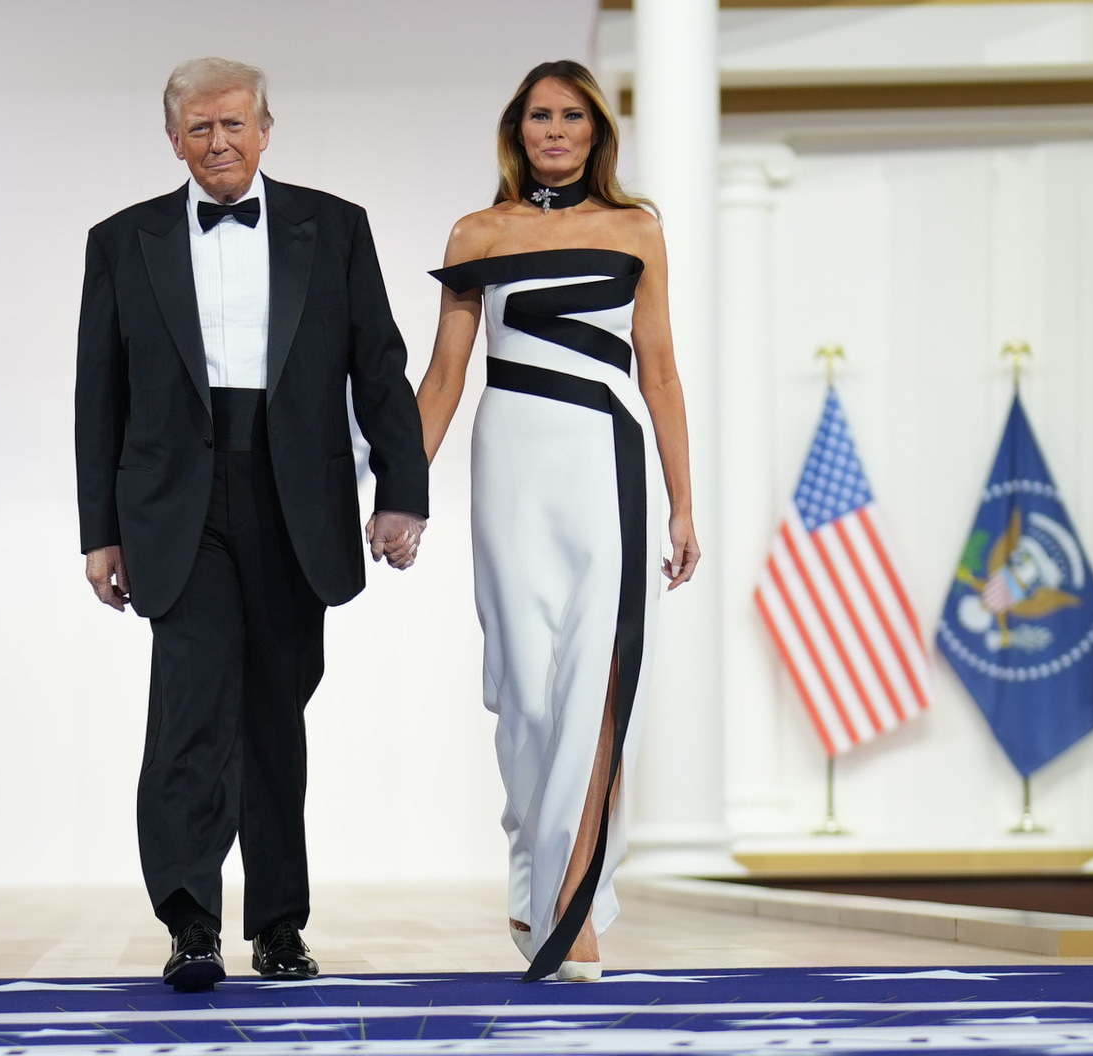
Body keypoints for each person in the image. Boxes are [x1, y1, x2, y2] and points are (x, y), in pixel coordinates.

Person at [75, 57, 429, 992]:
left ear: (267, 129)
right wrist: (98, 531)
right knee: (190, 713)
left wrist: (402, 489)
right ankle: (191, 921)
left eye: (234, 125)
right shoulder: (121, 240)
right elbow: (96, 398)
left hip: (292, 497)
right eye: (199, 128)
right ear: (173, 138)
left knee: (275, 717)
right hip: (174, 506)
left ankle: (278, 926)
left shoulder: (336, 227)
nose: (218, 142)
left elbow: (380, 368)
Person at [416, 60, 700, 983]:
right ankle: (535, 871)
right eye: (540, 115)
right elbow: (445, 378)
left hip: (606, 468)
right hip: (510, 471)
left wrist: (684, 500)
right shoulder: (477, 232)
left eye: (572, 116)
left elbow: (659, 370)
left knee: (595, 684)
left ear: (595, 131)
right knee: (527, 699)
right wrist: (400, 491)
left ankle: (572, 908)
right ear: (518, 128)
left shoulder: (637, 229)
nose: (555, 130)